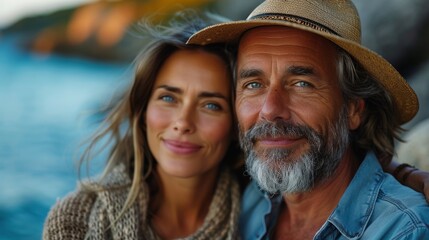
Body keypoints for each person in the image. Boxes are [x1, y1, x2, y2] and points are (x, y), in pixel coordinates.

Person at [188, 0, 429, 239]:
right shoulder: (244, 202)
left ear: (353, 110)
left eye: (302, 84)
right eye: (253, 84)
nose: (270, 110)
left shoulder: (403, 230)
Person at [42, 11, 244, 239]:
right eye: (168, 98)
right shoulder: (74, 220)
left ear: (237, 125)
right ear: (143, 108)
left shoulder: (263, 220)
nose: (183, 123)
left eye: (211, 105)